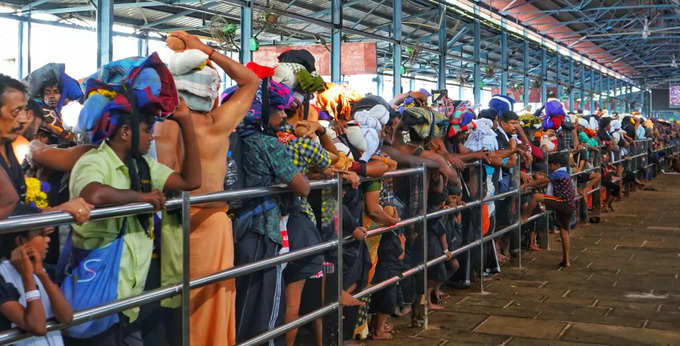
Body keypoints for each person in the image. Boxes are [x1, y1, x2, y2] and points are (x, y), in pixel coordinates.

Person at [67, 59, 201, 344]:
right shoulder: (94, 161)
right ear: (126, 133)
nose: (152, 137)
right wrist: (140, 198)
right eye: (147, 130)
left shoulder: (142, 166)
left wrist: (186, 124)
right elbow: (93, 194)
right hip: (99, 284)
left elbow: (191, 181)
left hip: (129, 295)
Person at [154, 30, 260, 346]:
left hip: (182, 224)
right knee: (215, 301)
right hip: (215, 224)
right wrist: (207, 51)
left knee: (186, 307)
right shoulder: (219, 122)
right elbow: (250, 81)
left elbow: (167, 177)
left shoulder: (166, 126)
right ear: (211, 91)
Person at [0, 74, 92, 223]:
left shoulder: (7, 147)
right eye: (16, 111)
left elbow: (17, 207)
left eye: (24, 110)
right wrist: (57, 211)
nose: (23, 119)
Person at [0, 225, 73, 346]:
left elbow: (66, 317)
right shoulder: (3, 276)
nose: (48, 240)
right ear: (21, 241)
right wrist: (27, 277)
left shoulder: (44, 270)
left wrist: (41, 275)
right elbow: (37, 327)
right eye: (41, 235)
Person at [525, 152, 575, 267]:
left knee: (536, 197)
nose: (550, 168)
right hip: (568, 205)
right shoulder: (564, 173)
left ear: (556, 165)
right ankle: (566, 260)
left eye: (551, 165)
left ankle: (524, 216)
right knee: (564, 231)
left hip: (562, 203)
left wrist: (528, 184)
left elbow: (543, 181)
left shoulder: (558, 173)